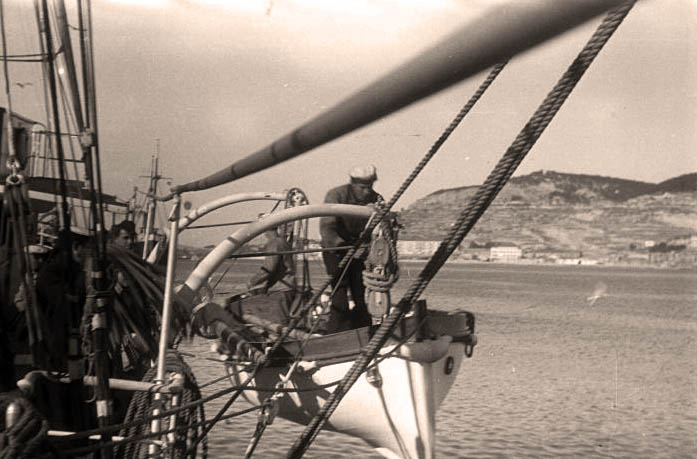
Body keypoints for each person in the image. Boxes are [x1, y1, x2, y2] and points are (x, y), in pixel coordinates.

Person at [319, 165, 382, 332]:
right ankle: (337, 332)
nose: (367, 191)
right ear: (352, 183)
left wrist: (366, 249)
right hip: (335, 250)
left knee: (359, 292)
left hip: (357, 250)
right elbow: (327, 227)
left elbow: (379, 229)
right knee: (339, 292)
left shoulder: (376, 199)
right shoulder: (336, 195)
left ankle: (363, 329)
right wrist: (342, 247)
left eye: (370, 186)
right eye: (362, 187)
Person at [245, 221, 297, 319]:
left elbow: (268, 268)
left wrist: (252, 282)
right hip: (288, 287)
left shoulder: (274, 243)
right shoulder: (283, 242)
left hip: (281, 289)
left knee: (280, 321)